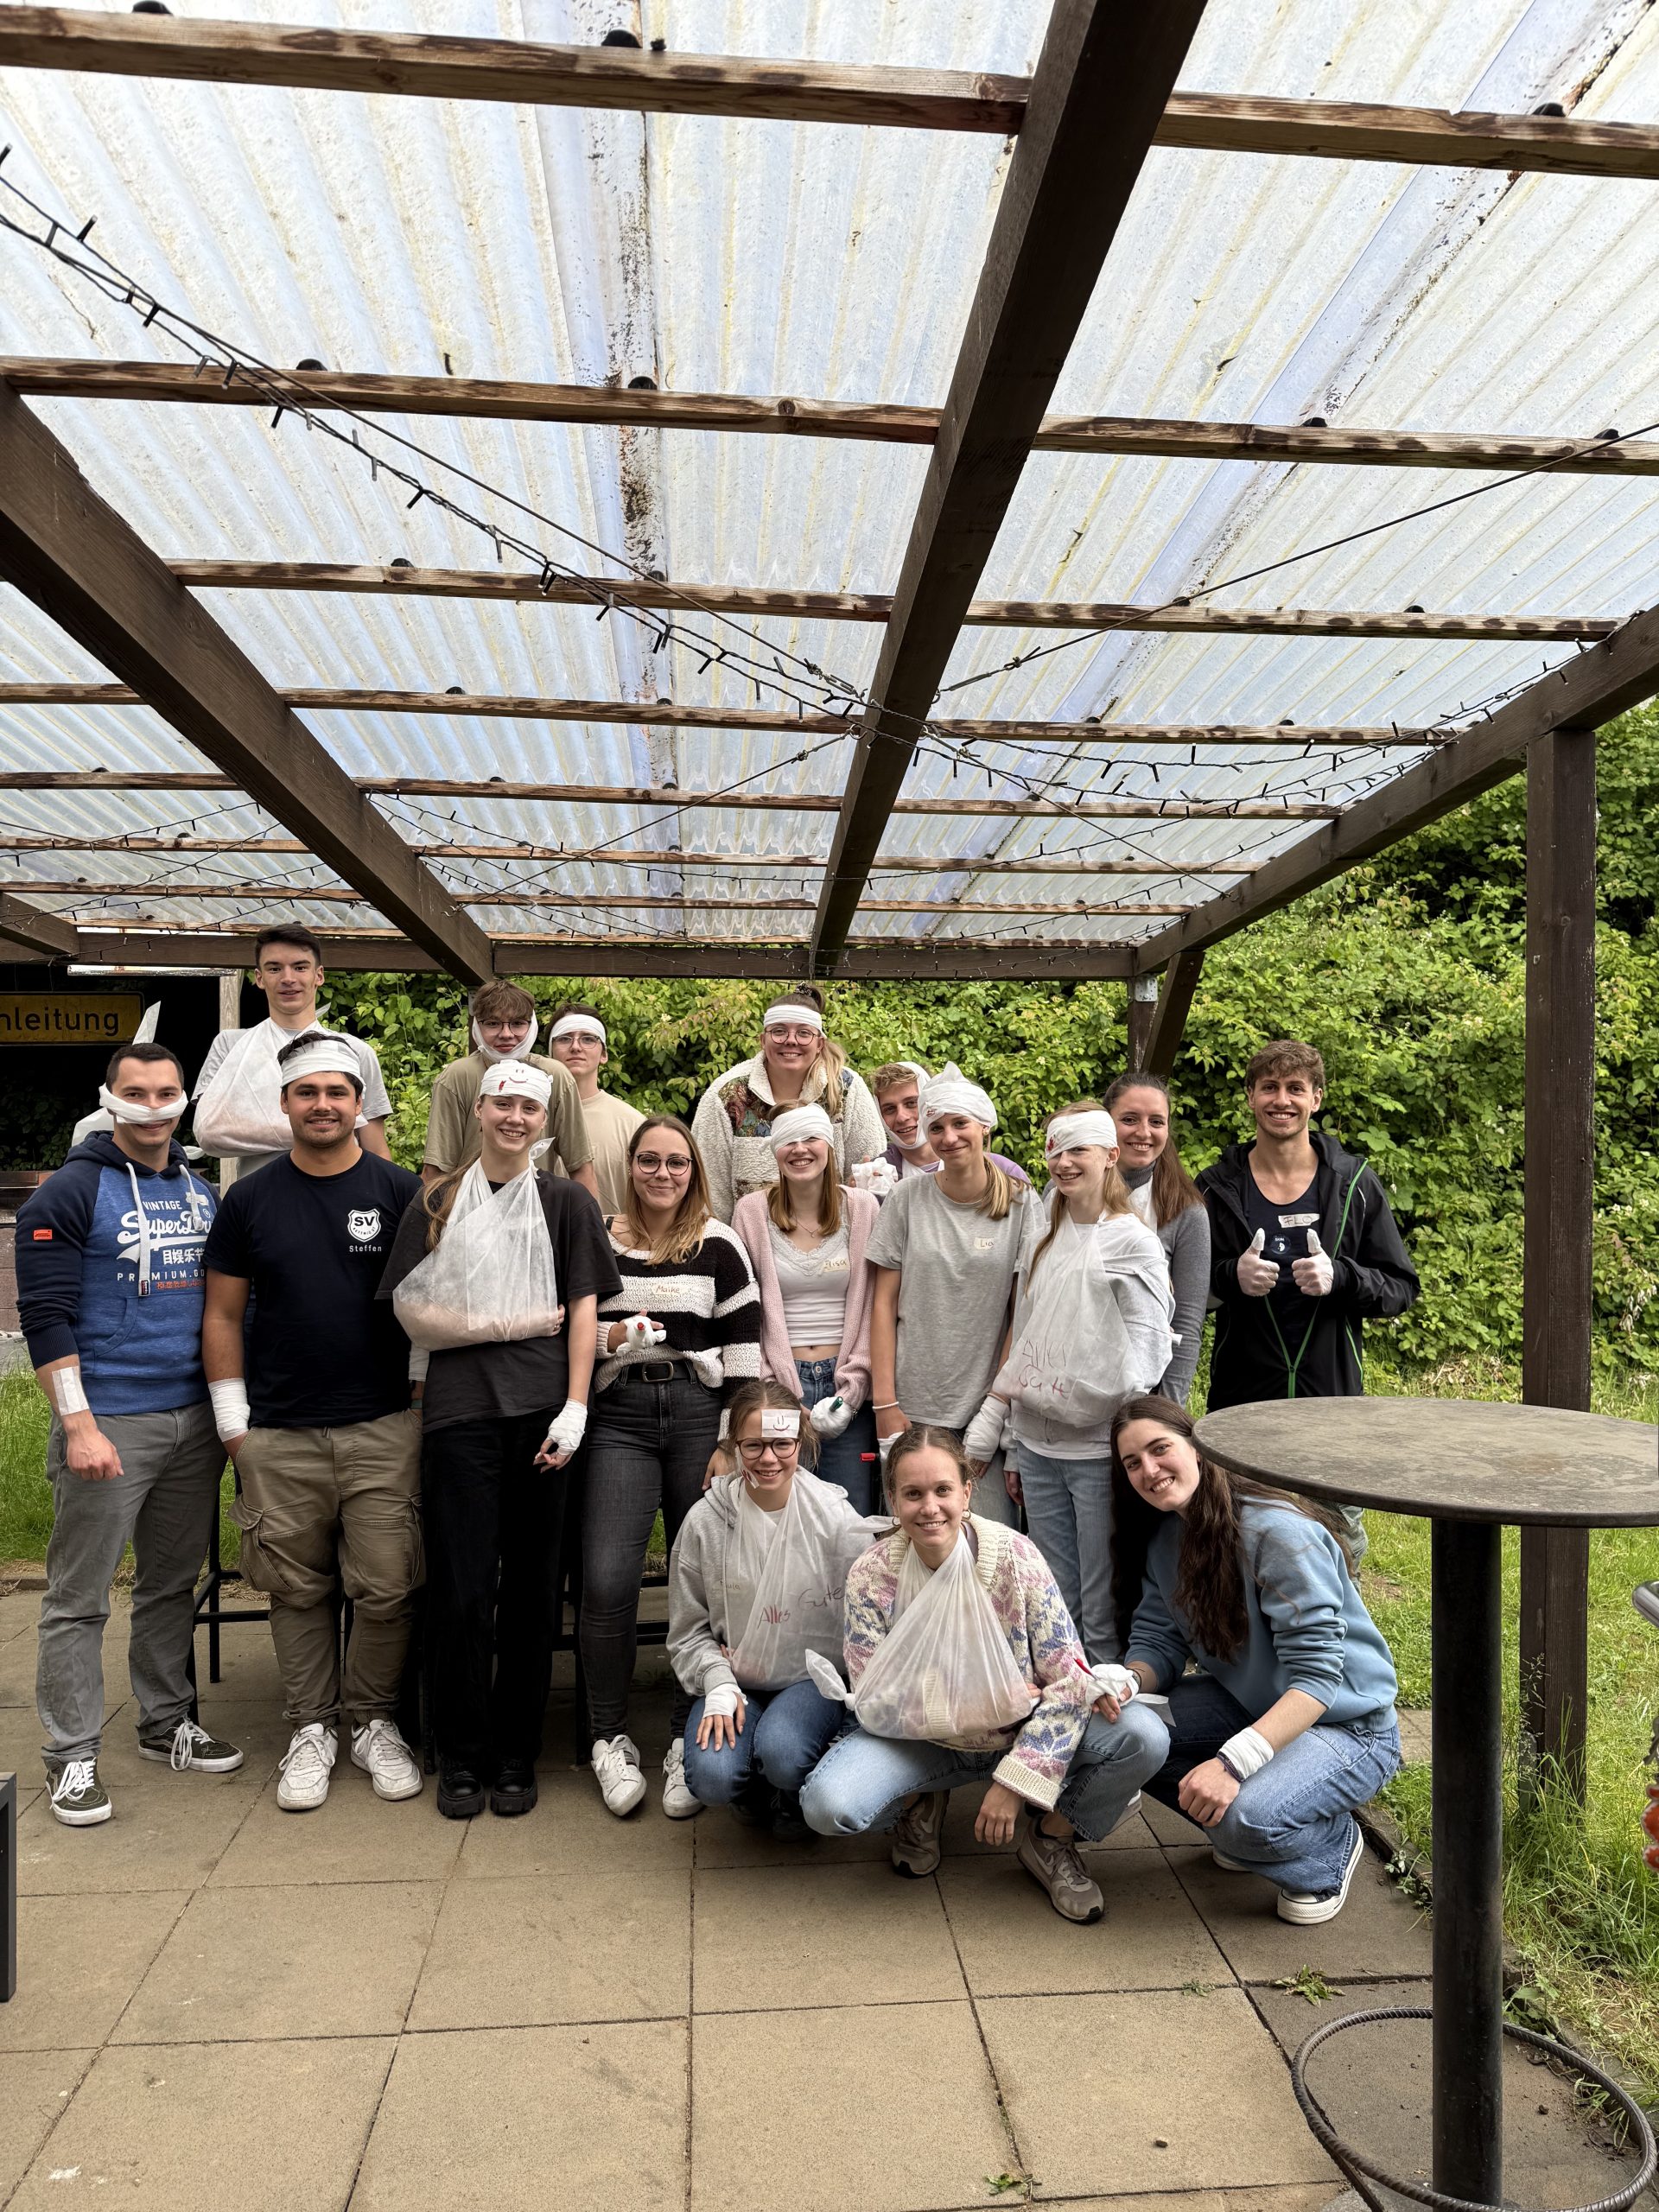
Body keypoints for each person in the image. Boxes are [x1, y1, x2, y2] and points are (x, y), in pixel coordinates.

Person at [379, 1060, 621, 1820]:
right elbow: (413, 1313)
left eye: (529, 1107)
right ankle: (460, 1754)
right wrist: (506, 1324)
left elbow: (583, 1310)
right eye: (503, 1103)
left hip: (544, 1414)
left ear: (545, 1120)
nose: (515, 1117)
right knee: (460, 1589)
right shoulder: (439, 1202)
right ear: (479, 1110)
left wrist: (575, 1408)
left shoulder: (566, 1202)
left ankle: (517, 1753)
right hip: (461, 1417)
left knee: (533, 1591)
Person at [201, 1029, 426, 1814]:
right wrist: (235, 1426)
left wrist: (419, 1404)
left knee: (388, 1587)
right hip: (278, 1432)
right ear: (285, 1103)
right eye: (308, 1092)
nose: (323, 1105)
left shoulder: (401, 1191)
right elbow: (221, 1314)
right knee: (295, 1591)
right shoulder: (249, 1199)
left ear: (360, 1103)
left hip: (384, 1428)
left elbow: (427, 1305)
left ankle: (372, 1722)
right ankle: (311, 1728)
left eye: (337, 1092)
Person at [17, 1042, 239, 1826]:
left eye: (167, 1092)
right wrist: (78, 1424)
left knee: (170, 1585)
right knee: (79, 1600)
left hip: (193, 1420)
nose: (153, 1106)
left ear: (184, 1100)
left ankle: (164, 1722)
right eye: (136, 1092)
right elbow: (44, 1317)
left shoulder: (201, 1191)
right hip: (108, 1421)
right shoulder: (69, 1193)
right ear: (109, 1099)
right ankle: (71, 1756)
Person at [799, 1427, 1144, 1924]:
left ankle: (1051, 1837)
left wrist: (1015, 1783)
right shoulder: (872, 1576)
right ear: (893, 1500)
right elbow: (875, 1698)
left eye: (943, 1490)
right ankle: (920, 1800)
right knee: (828, 1805)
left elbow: (1069, 1679)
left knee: (1142, 1737)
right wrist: (994, 1699)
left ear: (966, 1491)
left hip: (1017, 1736)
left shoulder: (1017, 1558)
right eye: (913, 1494)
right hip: (924, 1744)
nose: (930, 1507)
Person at [1087, 1395, 1402, 1924]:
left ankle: (1327, 1849)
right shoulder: (1167, 1536)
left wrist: (1233, 1764)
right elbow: (1159, 1640)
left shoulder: (1279, 1533)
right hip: (1250, 1704)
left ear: (1198, 1447)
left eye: (1160, 1449)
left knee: (1243, 1820)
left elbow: (1318, 1678)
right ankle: (1262, 1826)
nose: (1149, 1470)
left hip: (1349, 1727)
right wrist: (1127, 1680)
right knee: (1126, 1736)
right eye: (1132, 1463)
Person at [582, 1116, 765, 1820]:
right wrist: (613, 1336)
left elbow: (743, 1349)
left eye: (677, 1163)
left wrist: (730, 1441)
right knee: (607, 1579)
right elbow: (575, 1330)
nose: (663, 1173)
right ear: (630, 1166)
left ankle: (689, 1737)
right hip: (619, 1418)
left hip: (697, 1415)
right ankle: (607, 1737)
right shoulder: (599, 1238)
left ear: (694, 1171)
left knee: (709, 1584)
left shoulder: (719, 1244)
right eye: (650, 1161)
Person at [961, 1104, 1173, 1664]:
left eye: (1079, 1149)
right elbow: (1027, 1337)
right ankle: (1064, 1684)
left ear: (1111, 1155)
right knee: (1053, 1589)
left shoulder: (1133, 1242)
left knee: (1102, 1595)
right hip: (1036, 1445)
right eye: (1056, 1150)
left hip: (1097, 1447)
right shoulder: (1044, 1233)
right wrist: (1012, 1442)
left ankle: (1104, 1688)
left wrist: (1096, 1407)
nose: (1064, 1162)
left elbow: (1149, 1349)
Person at [1198, 1041, 1420, 1559]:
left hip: (1331, 1407)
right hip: (1242, 1408)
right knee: (1238, 1551)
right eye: (1269, 1087)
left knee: (1338, 1551)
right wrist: (1230, 1276)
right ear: (1250, 1096)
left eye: (1295, 1088)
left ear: (1316, 1099)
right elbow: (1179, 1289)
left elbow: (1400, 1287)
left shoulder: (1353, 1182)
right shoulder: (1214, 1188)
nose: (1282, 1100)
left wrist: (1341, 1278)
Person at [667, 1379, 887, 1835]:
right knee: (711, 1777)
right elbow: (688, 1631)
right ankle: (753, 1786)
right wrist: (717, 1681)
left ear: (800, 1442)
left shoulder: (832, 1517)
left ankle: (789, 1784)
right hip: (735, 1680)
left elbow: (868, 1611)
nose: (768, 1458)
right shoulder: (706, 1523)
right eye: (753, 1446)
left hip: (809, 1679)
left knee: (785, 1753)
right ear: (733, 1445)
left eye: (782, 1444)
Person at [865, 1065, 1039, 1529]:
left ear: (984, 1126)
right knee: (917, 1542)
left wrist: (995, 1408)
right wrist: (885, 1405)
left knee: (991, 1544)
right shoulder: (906, 1199)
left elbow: (1023, 1313)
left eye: (960, 1123)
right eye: (936, 1127)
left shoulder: (1022, 1204)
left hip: (987, 1409)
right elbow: (883, 1306)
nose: (949, 1137)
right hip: (914, 1408)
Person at [730, 1105, 881, 1512]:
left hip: (846, 1383)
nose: (800, 1150)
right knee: (779, 1515)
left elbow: (874, 1306)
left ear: (829, 1146)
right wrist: (774, 1392)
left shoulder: (863, 1208)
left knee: (849, 1515)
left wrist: (852, 1393)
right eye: (789, 1141)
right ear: (775, 1150)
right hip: (780, 1383)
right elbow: (744, 1312)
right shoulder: (751, 1212)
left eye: (811, 1138)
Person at [192, 924, 392, 1174]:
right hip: (260, 1195)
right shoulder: (230, 1045)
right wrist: (330, 1128)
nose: (288, 978)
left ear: (319, 976)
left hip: (343, 1192)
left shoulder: (354, 1051)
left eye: (300, 967)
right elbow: (210, 1131)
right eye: (274, 968)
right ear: (259, 978)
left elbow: (376, 1149)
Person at [690, 988, 884, 1219]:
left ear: (820, 1044)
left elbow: (870, 1174)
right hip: (746, 1236)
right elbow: (709, 1191)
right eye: (779, 1031)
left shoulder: (846, 1089)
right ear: (763, 1040)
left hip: (834, 1234)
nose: (791, 1041)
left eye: (804, 1033)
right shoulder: (727, 1095)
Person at [422, 982, 596, 1197]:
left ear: (531, 1025)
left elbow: (581, 1167)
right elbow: (436, 1170)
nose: (506, 1034)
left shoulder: (555, 1076)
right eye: (493, 1023)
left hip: (539, 1206)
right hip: (468, 1205)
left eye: (517, 1024)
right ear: (477, 1026)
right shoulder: (458, 1077)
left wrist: (588, 1217)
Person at [1102, 1071, 1211, 1405]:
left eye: (1156, 1122)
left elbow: (1187, 1321)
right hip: (1063, 1380)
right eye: (1129, 1119)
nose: (1144, 1132)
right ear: (1104, 1123)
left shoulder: (1186, 1212)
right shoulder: (1065, 1191)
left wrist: (1167, 1408)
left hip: (1141, 1392)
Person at [543, 1000, 645, 1216]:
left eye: (588, 1039)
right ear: (550, 1052)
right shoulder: (523, 1118)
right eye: (564, 1038)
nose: (576, 1047)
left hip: (611, 1237)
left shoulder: (633, 1124)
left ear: (604, 1054)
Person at [866, 1061, 1030, 1191]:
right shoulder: (876, 1175)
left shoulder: (1005, 1172)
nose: (902, 1117)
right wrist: (860, 1199)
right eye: (889, 1109)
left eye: (911, 1103)